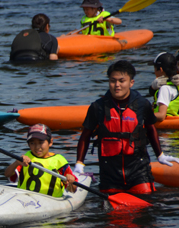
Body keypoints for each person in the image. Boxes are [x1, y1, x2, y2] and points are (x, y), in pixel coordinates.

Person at [74, 60, 179, 194]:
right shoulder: (98, 107)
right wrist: (79, 163)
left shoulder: (142, 104)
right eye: (113, 81)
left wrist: (160, 155)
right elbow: (85, 135)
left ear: (131, 83)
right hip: (110, 173)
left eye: (121, 81)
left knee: (146, 204)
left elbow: (151, 129)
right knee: (111, 211)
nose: (117, 85)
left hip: (139, 170)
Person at [4, 124, 77, 196]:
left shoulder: (59, 161)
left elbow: (72, 190)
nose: (37, 147)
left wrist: (71, 181)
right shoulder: (26, 158)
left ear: (50, 142)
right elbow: (7, 174)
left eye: (41, 142)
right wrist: (16, 163)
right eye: (32, 143)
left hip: (50, 201)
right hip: (25, 199)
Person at [149, 52, 179, 122]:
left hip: (165, 129)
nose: (154, 72)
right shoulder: (176, 85)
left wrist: (142, 116)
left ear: (161, 69)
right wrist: (152, 88)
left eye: (155, 68)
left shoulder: (164, 88)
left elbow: (161, 115)